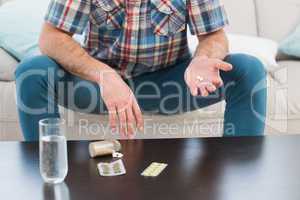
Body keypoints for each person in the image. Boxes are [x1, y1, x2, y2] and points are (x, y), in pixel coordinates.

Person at [15, 0, 267, 141]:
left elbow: (214, 35)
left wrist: (203, 59)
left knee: (248, 69)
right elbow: (51, 37)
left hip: (167, 87)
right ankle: (44, 173)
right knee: (33, 70)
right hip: (99, 89)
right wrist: (104, 75)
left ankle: (240, 175)